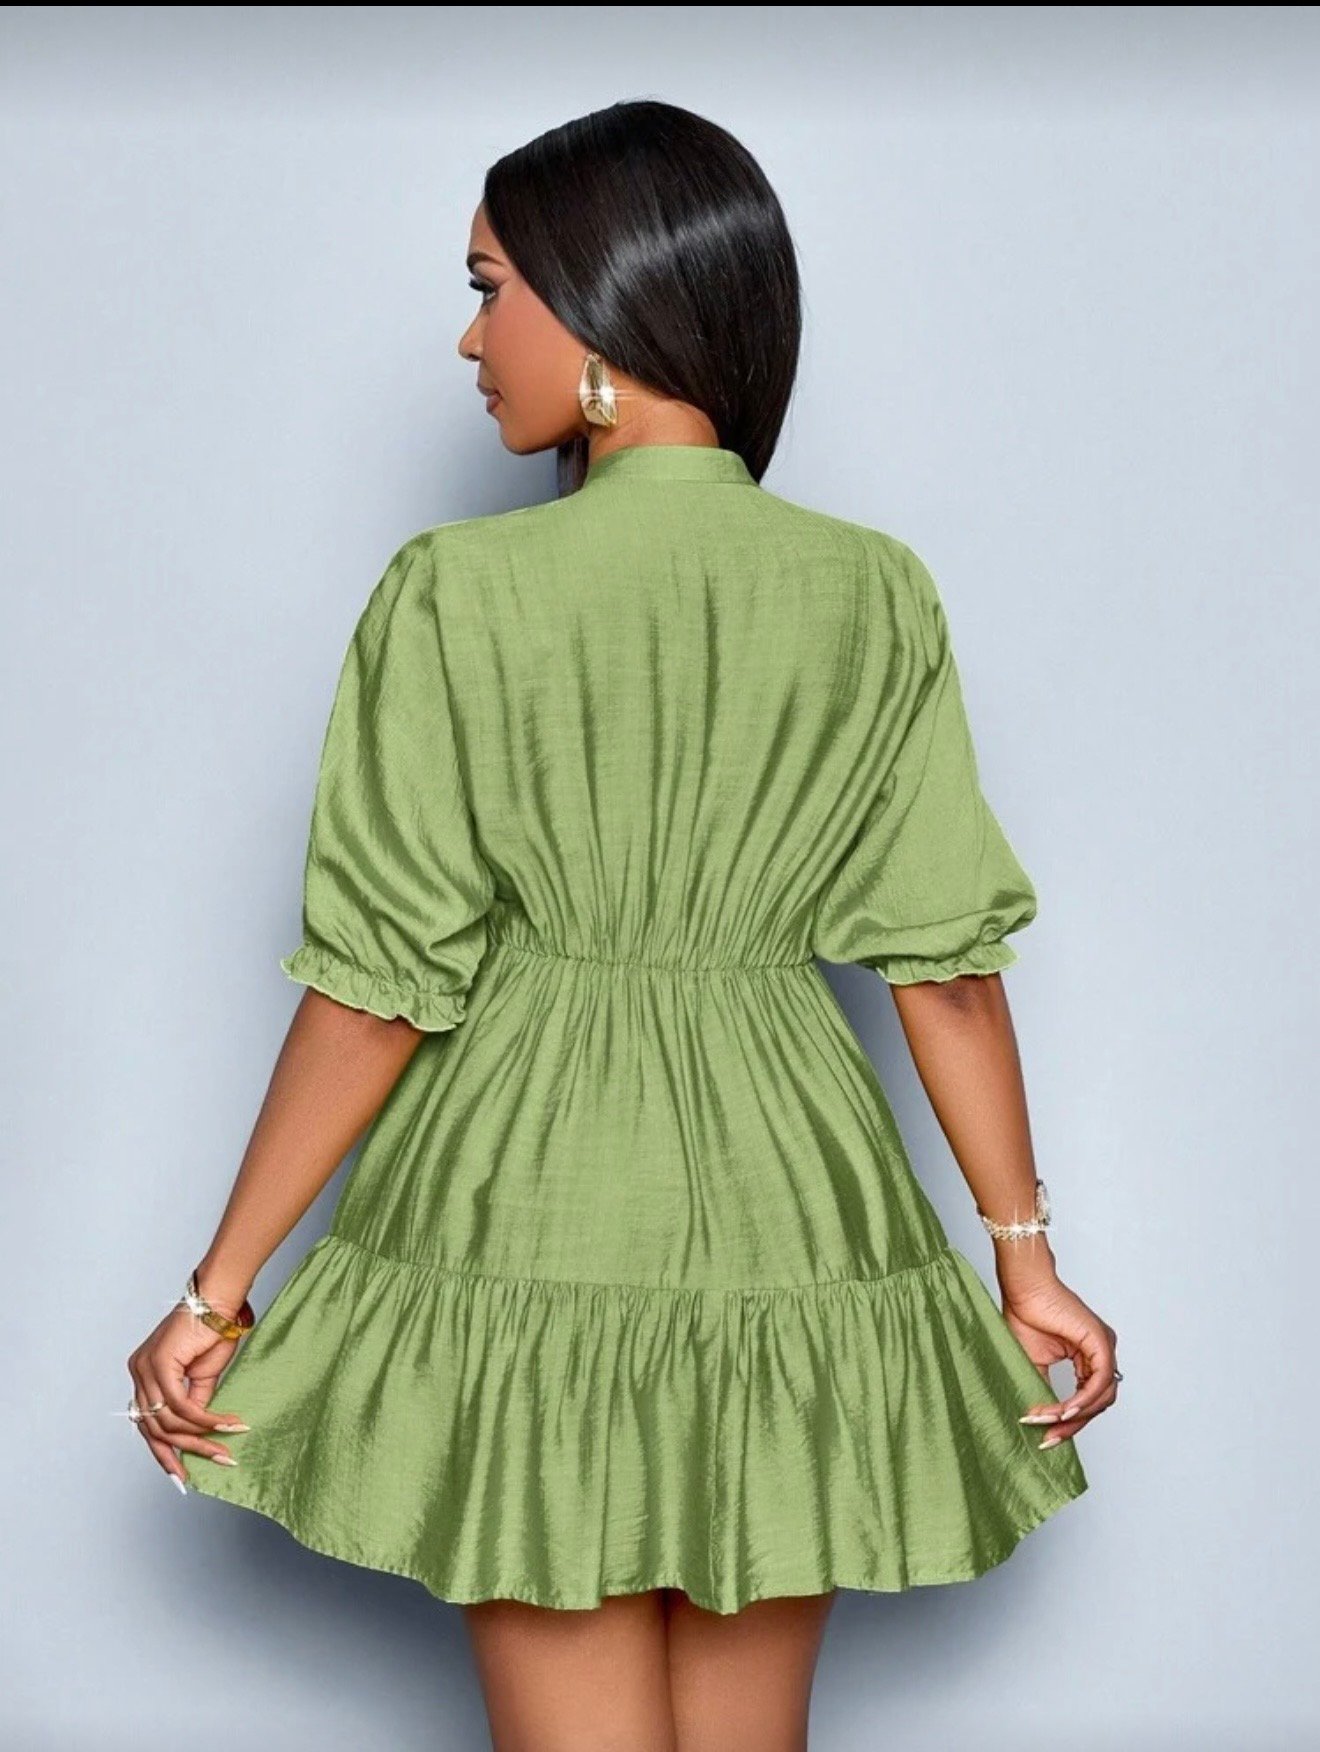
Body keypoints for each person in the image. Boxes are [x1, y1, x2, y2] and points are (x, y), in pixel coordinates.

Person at [125, 99, 1118, 1752]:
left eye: (491, 289)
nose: (470, 340)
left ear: (601, 306)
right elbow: (942, 967)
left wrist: (218, 1293)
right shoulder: (872, 588)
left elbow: (380, 986)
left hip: (526, 1200)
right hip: (797, 1202)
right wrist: (1029, 1263)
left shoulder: (457, 592)